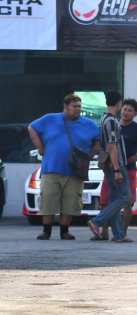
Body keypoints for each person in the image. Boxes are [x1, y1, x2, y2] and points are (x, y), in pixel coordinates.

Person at [28, 94, 100, 240]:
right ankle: (46, 231)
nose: (78, 109)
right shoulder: (50, 119)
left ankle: (64, 231)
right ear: (66, 106)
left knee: (71, 200)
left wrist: (90, 155)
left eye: (79, 106)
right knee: (48, 198)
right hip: (51, 167)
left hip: (76, 170)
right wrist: (40, 147)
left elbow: (99, 141)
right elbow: (32, 128)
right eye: (74, 106)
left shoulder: (89, 124)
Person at [95, 98, 137, 240]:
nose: (126, 112)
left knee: (126, 201)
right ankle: (104, 232)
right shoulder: (113, 123)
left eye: (130, 111)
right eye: (124, 109)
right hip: (110, 168)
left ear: (135, 114)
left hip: (128, 168)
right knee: (105, 200)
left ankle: (122, 233)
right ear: (120, 108)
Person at [88, 90, 132, 243]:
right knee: (125, 197)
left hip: (107, 163)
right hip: (115, 163)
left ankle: (119, 235)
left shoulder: (103, 118)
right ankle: (97, 221)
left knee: (114, 198)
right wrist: (117, 169)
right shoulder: (112, 121)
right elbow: (112, 147)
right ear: (119, 103)